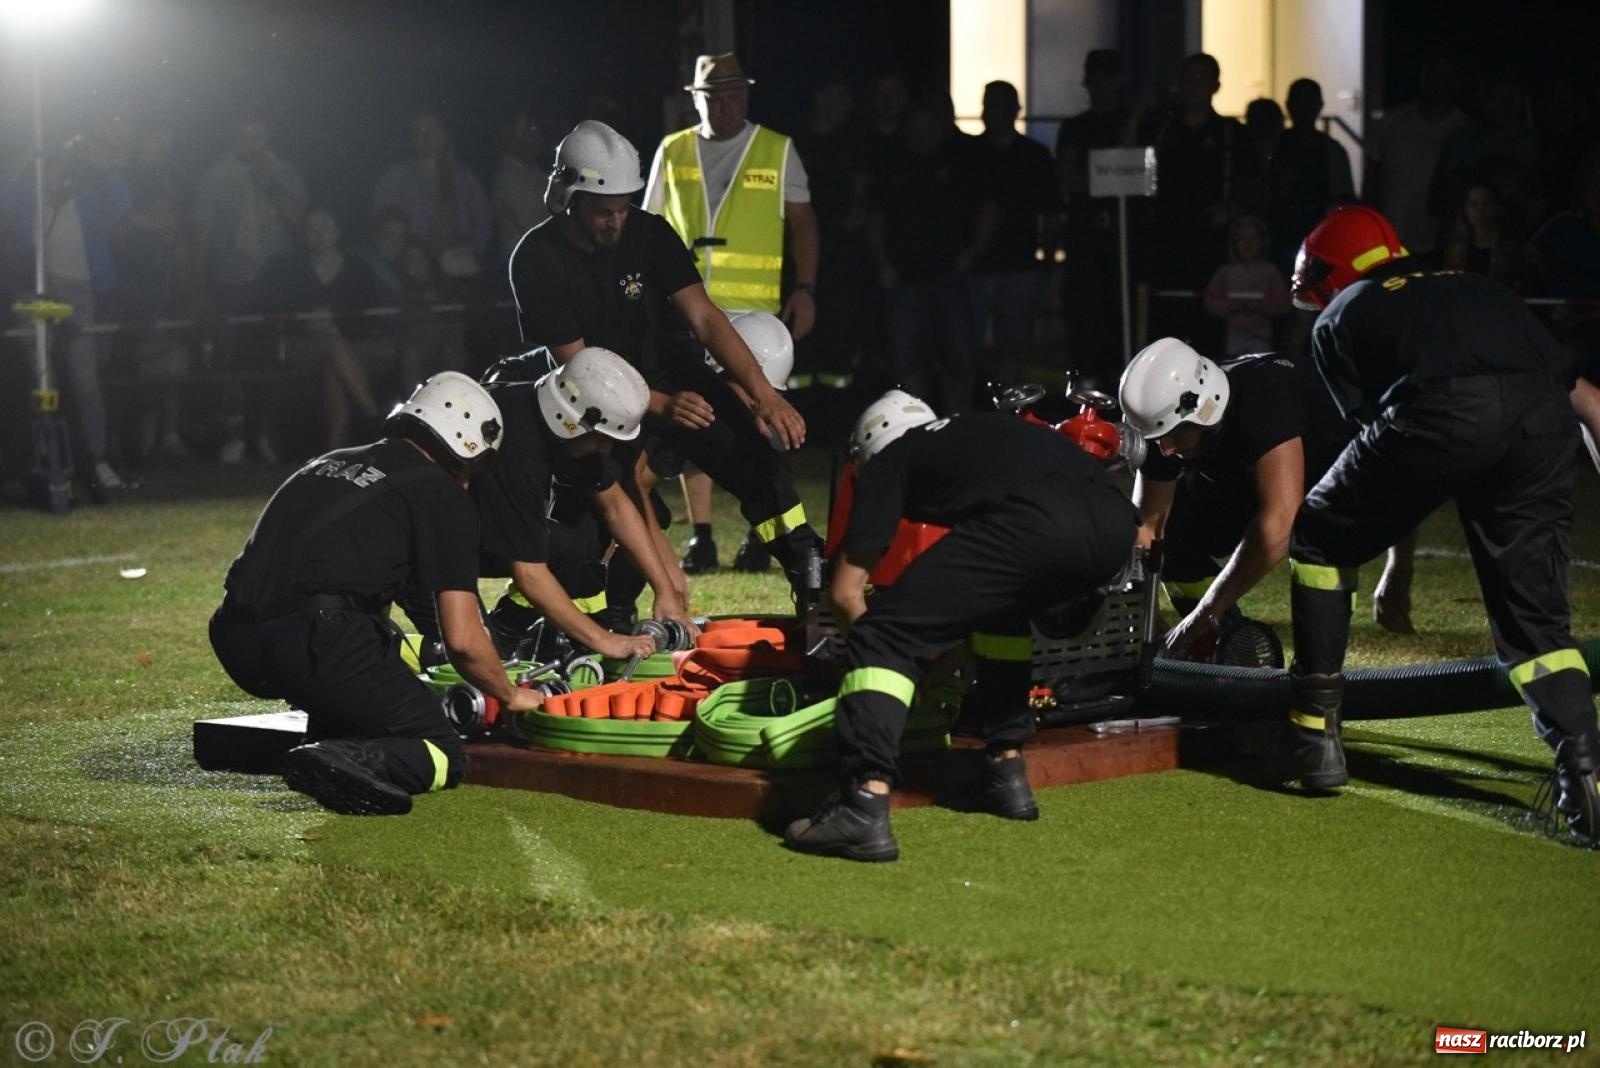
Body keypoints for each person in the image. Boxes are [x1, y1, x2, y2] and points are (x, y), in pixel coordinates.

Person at [1283, 204, 1599, 846]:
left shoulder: (1342, 314)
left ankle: (1314, 737)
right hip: (1542, 423)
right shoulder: (1481, 287)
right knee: (1537, 625)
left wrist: (1397, 568)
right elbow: (1585, 398)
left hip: (1443, 412)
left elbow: (1385, 453)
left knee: (1318, 534)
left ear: (1326, 274)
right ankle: (1586, 770)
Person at [783, 392, 1138, 862]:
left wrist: (889, 672)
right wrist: (933, 662)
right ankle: (1006, 773)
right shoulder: (969, 438)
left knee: (881, 634)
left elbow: (846, 594)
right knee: (1002, 615)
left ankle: (861, 803)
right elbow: (972, 596)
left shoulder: (893, 456)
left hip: (1041, 522)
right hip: (1115, 526)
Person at [510, 119, 820, 609]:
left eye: (623, 207)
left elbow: (706, 319)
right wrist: (661, 405)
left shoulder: (649, 233)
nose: (617, 221)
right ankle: (567, 617)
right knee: (598, 519)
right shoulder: (536, 259)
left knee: (756, 459)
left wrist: (764, 395)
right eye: (603, 211)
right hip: (597, 402)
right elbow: (580, 369)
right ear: (569, 197)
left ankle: (813, 581)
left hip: (677, 381)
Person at [209, 372, 541, 816]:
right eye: (476, 468)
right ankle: (349, 754)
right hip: (316, 642)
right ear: (465, 447)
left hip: (236, 636)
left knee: (374, 643)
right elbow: (462, 638)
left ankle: (331, 732)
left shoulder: (327, 462)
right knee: (440, 746)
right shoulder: (442, 493)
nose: (470, 482)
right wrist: (511, 694)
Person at [396, 346, 691, 664]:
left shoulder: (553, 416)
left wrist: (664, 591)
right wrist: (605, 640)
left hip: (462, 527)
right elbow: (529, 573)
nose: (606, 449)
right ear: (570, 420)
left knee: (576, 550)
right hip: (416, 544)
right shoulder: (515, 450)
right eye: (602, 438)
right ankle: (410, 650)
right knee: (476, 657)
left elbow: (616, 507)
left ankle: (507, 629)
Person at [643, 52, 820, 575]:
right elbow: (648, 226)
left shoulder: (776, 149)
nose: (727, 106)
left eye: (737, 95)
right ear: (696, 100)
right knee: (696, 412)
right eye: (716, 97)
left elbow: (804, 223)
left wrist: (805, 289)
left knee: (760, 413)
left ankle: (758, 534)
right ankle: (701, 534)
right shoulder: (673, 150)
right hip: (687, 307)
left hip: (755, 312)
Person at [1118, 337, 1350, 659]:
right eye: (1157, 439)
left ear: (1205, 409)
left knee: (1313, 546)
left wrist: (1203, 615)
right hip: (1248, 472)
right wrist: (1138, 617)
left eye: (1174, 435)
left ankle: (1318, 669)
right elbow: (1147, 530)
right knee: (1174, 528)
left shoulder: (1264, 398)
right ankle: (1220, 641)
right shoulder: (1167, 419)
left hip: (1335, 474)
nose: (1166, 449)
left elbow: (1279, 524)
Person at [192, 116, 306, 464]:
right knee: (229, 359)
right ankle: (237, 432)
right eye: (243, 137)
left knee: (272, 361)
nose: (250, 144)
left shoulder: (286, 173)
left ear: (267, 138)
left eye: (257, 137)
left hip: (274, 283)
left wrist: (270, 185)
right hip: (229, 281)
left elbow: (300, 222)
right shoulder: (214, 178)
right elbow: (200, 234)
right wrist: (199, 286)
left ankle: (265, 434)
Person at [967, 80, 1062, 374]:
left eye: (999, 104)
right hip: (975, 267)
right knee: (967, 349)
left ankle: (1008, 400)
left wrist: (1046, 261)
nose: (991, 111)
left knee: (1014, 348)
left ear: (1015, 109)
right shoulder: (969, 153)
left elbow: (1051, 212)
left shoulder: (1035, 156)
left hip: (1019, 264)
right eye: (989, 104)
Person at [1055, 48, 1131, 388]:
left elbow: (1141, 175)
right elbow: (1066, 180)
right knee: (1083, 319)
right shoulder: (1075, 128)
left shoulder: (1133, 123)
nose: (1100, 85)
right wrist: (1107, 180)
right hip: (1085, 238)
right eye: (1095, 78)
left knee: (1120, 320)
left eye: (1107, 78)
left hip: (1123, 239)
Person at [372, 109, 492, 284]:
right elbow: (380, 225)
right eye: (419, 131)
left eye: (432, 129)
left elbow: (484, 219)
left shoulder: (463, 175)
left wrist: (473, 252)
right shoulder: (395, 177)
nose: (425, 136)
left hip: (461, 270)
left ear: (445, 135)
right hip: (411, 272)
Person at [1202, 215, 1291, 356]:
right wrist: (1231, 306)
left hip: (1262, 339)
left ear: (1262, 242)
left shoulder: (1270, 271)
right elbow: (1209, 301)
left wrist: (1261, 306)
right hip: (1233, 339)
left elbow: (1284, 303)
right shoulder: (1225, 272)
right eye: (1242, 238)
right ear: (1234, 242)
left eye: (1253, 238)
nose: (1247, 243)